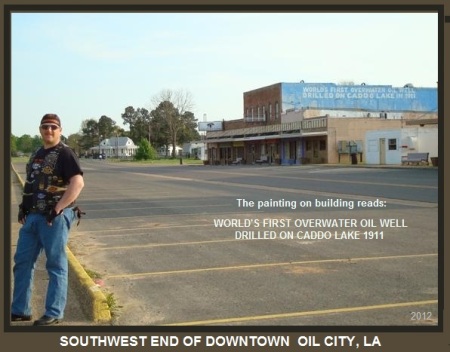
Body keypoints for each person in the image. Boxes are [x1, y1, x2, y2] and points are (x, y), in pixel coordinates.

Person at [11, 113, 85, 326]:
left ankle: (54, 312)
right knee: (22, 262)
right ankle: (20, 309)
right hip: (33, 217)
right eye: (45, 127)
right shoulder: (37, 153)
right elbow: (31, 182)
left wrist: (58, 209)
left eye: (53, 127)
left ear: (60, 130)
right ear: (40, 129)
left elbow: (77, 183)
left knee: (55, 264)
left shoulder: (65, 153)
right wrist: (23, 207)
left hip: (55, 219)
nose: (49, 130)